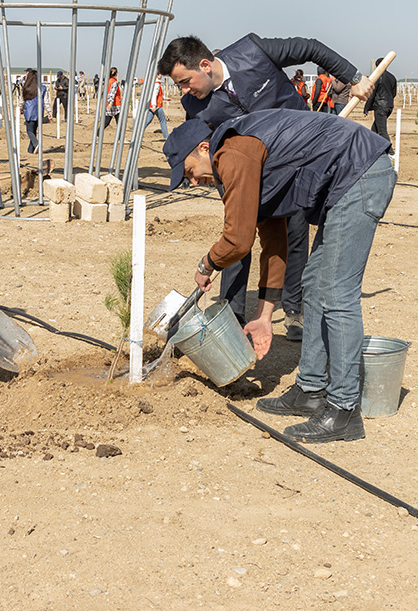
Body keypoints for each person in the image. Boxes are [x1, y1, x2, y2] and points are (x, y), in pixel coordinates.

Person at [163, 108, 394, 443]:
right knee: (313, 285)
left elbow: (237, 241)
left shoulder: (233, 153)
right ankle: (310, 390)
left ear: (203, 148)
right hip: (348, 180)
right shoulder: (242, 160)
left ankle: (344, 410)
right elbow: (273, 240)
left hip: (360, 173)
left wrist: (207, 264)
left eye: (190, 172)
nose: (194, 181)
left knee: (336, 292)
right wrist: (264, 315)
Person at [158, 34, 371, 338]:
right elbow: (204, 147)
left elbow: (310, 47)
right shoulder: (194, 104)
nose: (184, 90)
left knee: (294, 235)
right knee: (236, 236)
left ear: (204, 65)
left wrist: (354, 78)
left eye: (184, 81)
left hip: (298, 163)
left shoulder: (253, 51)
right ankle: (231, 313)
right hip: (242, 172)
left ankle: (294, 310)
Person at [364, 57, 397, 153]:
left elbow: (372, 94)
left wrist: (366, 108)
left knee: (382, 130)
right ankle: (370, 148)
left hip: (380, 107)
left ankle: (390, 152)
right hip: (389, 106)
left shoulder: (377, 77)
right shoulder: (392, 77)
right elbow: (394, 93)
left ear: (377, 66)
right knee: (374, 129)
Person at [20, 69, 49, 154]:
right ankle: (30, 150)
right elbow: (46, 101)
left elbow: (22, 100)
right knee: (34, 131)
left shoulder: (26, 88)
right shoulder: (43, 88)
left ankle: (36, 144)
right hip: (39, 112)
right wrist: (49, 112)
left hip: (29, 111)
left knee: (29, 131)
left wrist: (20, 108)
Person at [143, 75, 168, 140]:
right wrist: (154, 105)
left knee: (147, 121)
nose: (161, 76)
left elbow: (158, 95)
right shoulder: (156, 84)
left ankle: (138, 132)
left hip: (152, 106)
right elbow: (154, 95)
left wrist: (165, 98)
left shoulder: (155, 83)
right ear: (156, 75)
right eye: (160, 74)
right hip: (157, 106)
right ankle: (166, 137)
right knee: (163, 121)